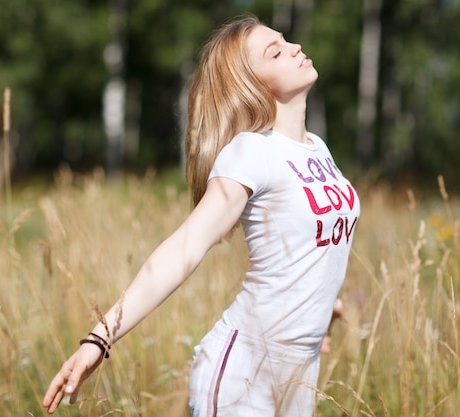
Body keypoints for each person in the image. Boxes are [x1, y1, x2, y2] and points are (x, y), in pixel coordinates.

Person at [42, 15, 360, 416]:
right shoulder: (252, 151)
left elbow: (311, 243)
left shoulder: (319, 150)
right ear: (252, 83)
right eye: (275, 51)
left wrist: (324, 305)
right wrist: (98, 340)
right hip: (241, 378)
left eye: (286, 41)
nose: (294, 47)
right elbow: (183, 250)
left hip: (299, 376)